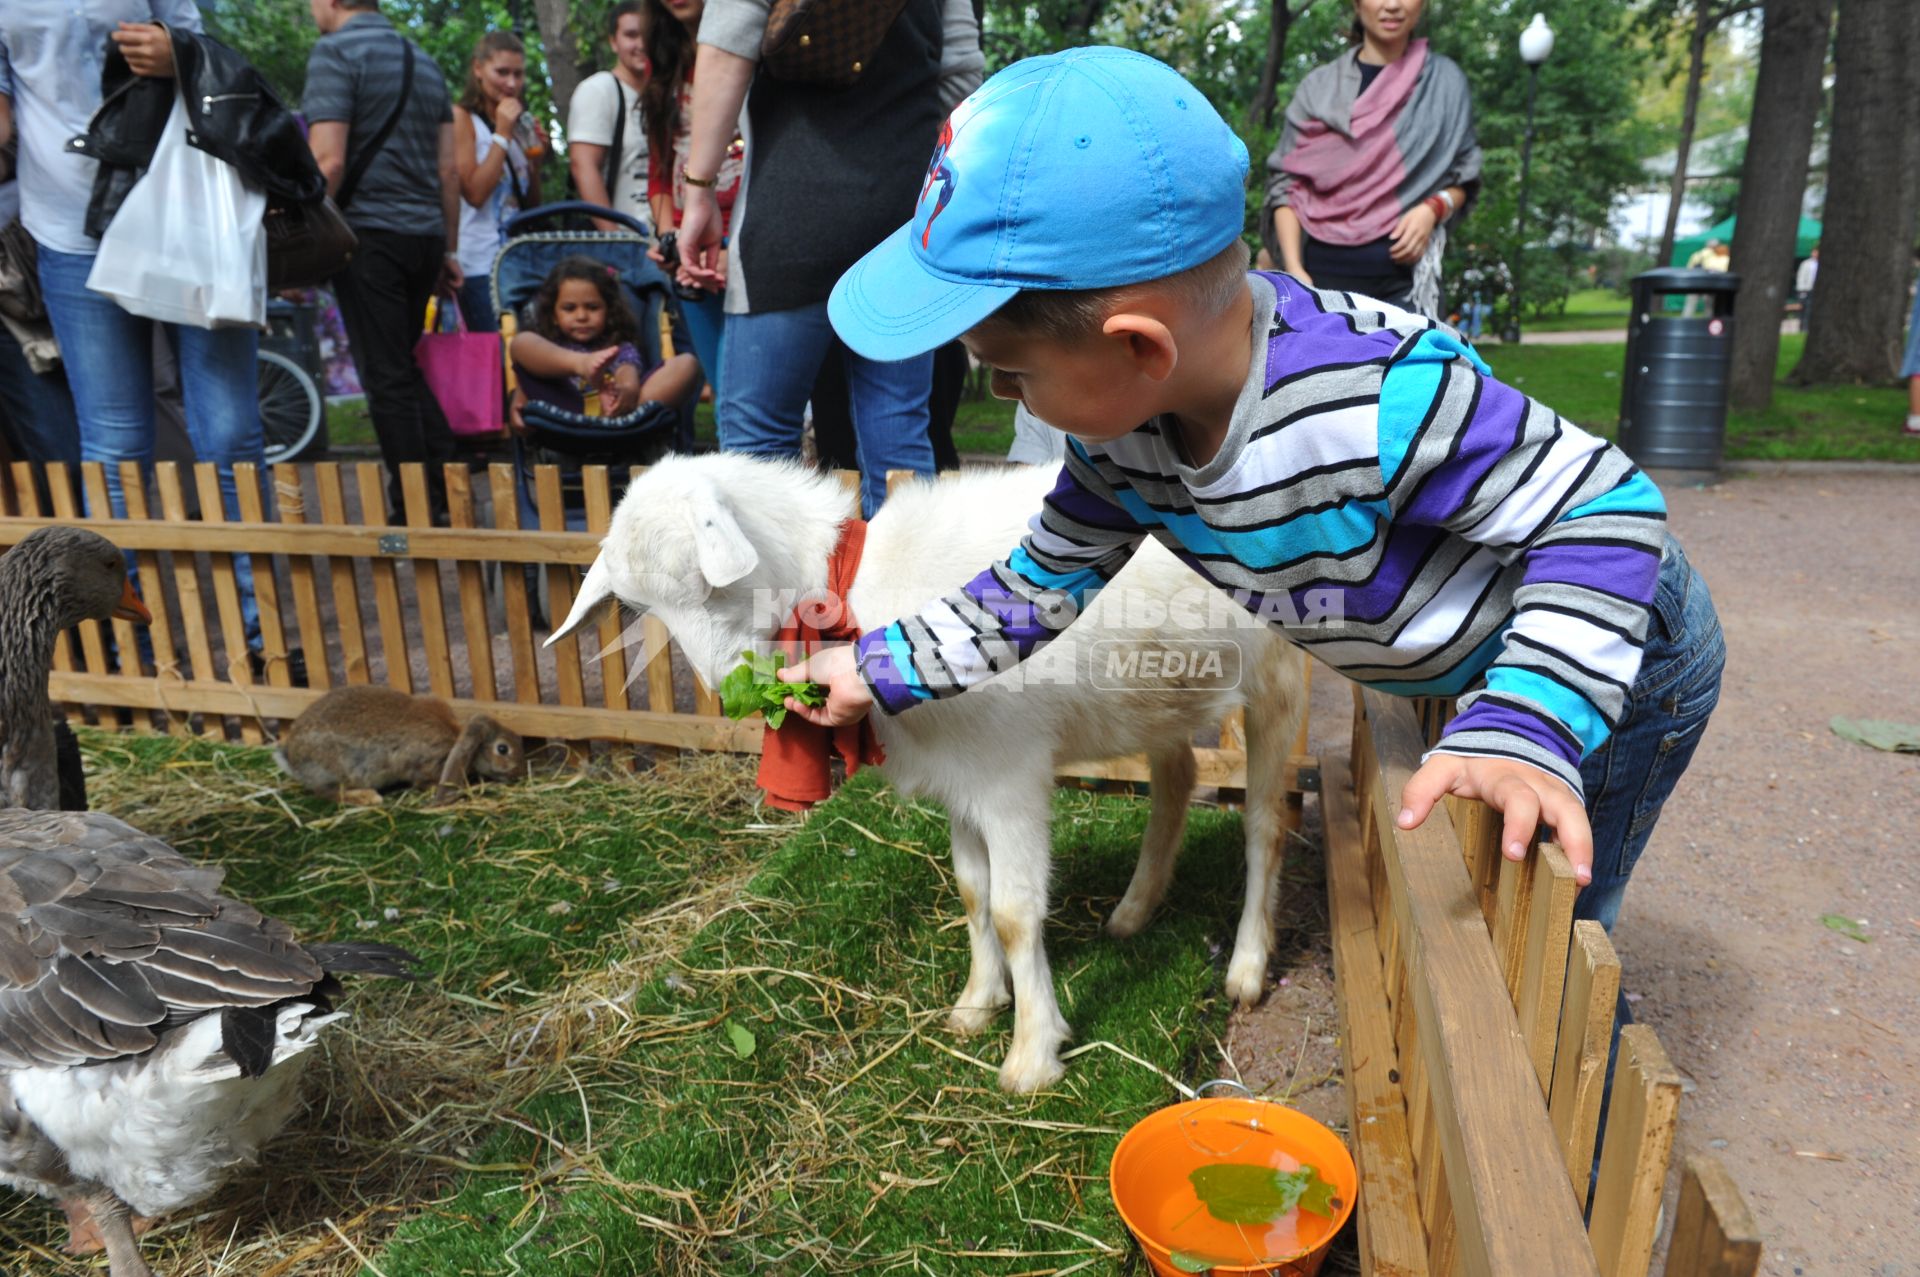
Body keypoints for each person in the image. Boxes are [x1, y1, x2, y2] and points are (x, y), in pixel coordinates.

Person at [786, 51, 1725, 1044]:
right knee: (1501, 878)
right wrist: (874, 665)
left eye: (1010, 375)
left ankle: (1580, 1062)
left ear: (1141, 348)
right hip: (1485, 651)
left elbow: (1607, 511)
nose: (1007, 400)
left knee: (1562, 925)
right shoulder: (1126, 446)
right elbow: (1033, 587)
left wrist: (1529, 716)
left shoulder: (1370, 399)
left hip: (1626, 645)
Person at [0, 2, 270, 650]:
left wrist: (175, 50)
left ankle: (262, 639)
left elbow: (209, 56)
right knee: (115, 442)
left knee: (229, 430)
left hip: (183, 211)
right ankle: (139, 646)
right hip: (68, 228)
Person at [671, 0, 984, 516]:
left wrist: (699, 189)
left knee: (759, 443)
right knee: (900, 436)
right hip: (899, 219)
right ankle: (905, 596)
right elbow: (961, 76)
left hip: (787, 212)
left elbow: (727, 50)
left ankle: (774, 598)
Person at [304, 0, 462, 523]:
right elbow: (447, 170)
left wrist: (301, 243)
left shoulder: (335, 53)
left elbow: (328, 160)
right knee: (399, 361)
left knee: (386, 374)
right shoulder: (424, 61)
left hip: (370, 236)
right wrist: (448, 249)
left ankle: (416, 508)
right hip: (424, 239)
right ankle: (447, 475)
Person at [1262, 0, 1480, 317]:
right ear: (1356, 3)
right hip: (1320, 281)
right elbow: (1287, 184)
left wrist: (1432, 209)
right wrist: (1295, 269)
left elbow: (1465, 172)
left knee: (1415, 366)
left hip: (1406, 283)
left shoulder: (1444, 82)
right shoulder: (1319, 88)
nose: (1392, 5)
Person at [641, 0, 743, 397]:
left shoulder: (753, 51)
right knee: (724, 386)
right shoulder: (664, 64)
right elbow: (659, 170)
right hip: (691, 245)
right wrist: (671, 240)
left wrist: (734, 247)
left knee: (757, 390)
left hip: (748, 235)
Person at [508, 255, 698, 423]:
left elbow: (627, 368)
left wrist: (626, 387)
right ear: (553, 315)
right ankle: (581, 363)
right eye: (569, 308)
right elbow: (530, 370)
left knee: (687, 364)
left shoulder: (617, 347)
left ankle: (627, 419)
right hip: (563, 411)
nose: (581, 316)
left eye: (592, 307)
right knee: (522, 342)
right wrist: (522, 393)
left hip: (620, 414)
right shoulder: (549, 347)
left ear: (609, 311)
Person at [453, 31, 543, 332]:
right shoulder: (463, 119)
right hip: (479, 264)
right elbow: (474, 193)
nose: (512, 83)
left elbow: (530, 204)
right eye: (502, 72)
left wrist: (535, 159)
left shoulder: (519, 125)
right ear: (478, 69)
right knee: (497, 356)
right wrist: (502, 134)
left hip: (519, 259)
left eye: (518, 74)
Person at [568, 2, 653, 235]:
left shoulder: (664, 93)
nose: (641, 44)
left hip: (666, 239)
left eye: (648, 34)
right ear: (613, 42)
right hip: (626, 240)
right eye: (631, 35)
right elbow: (583, 166)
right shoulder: (599, 90)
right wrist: (614, 238)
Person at [1793, 245, 1818, 333]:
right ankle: (1803, 328)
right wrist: (1801, 290)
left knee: (1810, 310)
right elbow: (1801, 277)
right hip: (1806, 289)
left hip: (1815, 290)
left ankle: (1808, 328)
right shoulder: (1806, 264)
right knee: (1804, 310)